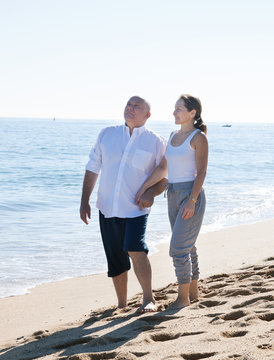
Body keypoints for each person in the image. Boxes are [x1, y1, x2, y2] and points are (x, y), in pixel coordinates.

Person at [80, 96, 166, 312]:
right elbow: (92, 168)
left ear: (147, 115)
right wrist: (84, 201)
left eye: (137, 106)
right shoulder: (107, 134)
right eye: (129, 104)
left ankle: (149, 299)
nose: (131, 107)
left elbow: (166, 178)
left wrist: (151, 193)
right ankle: (122, 304)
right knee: (115, 258)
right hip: (107, 208)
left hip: (136, 209)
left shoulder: (155, 142)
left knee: (136, 249)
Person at [136, 94, 208, 309]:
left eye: (178, 109)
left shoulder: (198, 137)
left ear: (192, 113)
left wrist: (192, 200)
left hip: (190, 194)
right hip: (173, 193)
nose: (174, 112)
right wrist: (144, 189)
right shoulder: (173, 135)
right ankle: (193, 292)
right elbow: (163, 169)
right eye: (174, 108)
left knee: (177, 249)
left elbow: (202, 172)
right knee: (188, 246)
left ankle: (182, 298)